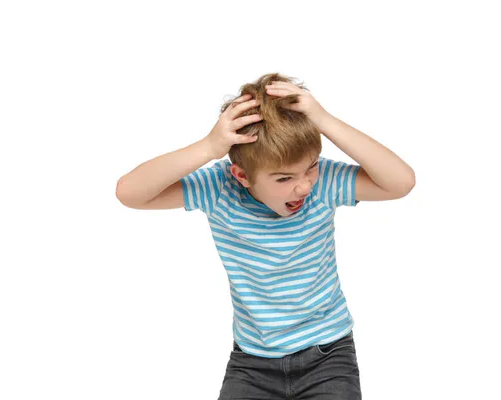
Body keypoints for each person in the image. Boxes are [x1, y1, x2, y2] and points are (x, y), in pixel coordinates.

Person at [116, 72, 415, 399]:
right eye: (284, 178)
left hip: (328, 355)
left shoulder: (324, 183)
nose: (304, 185)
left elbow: (401, 182)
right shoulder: (218, 190)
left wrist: (325, 121)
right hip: (252, 362)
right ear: (242, 176)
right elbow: (130, 193)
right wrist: (208, 147)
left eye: (310, 167)